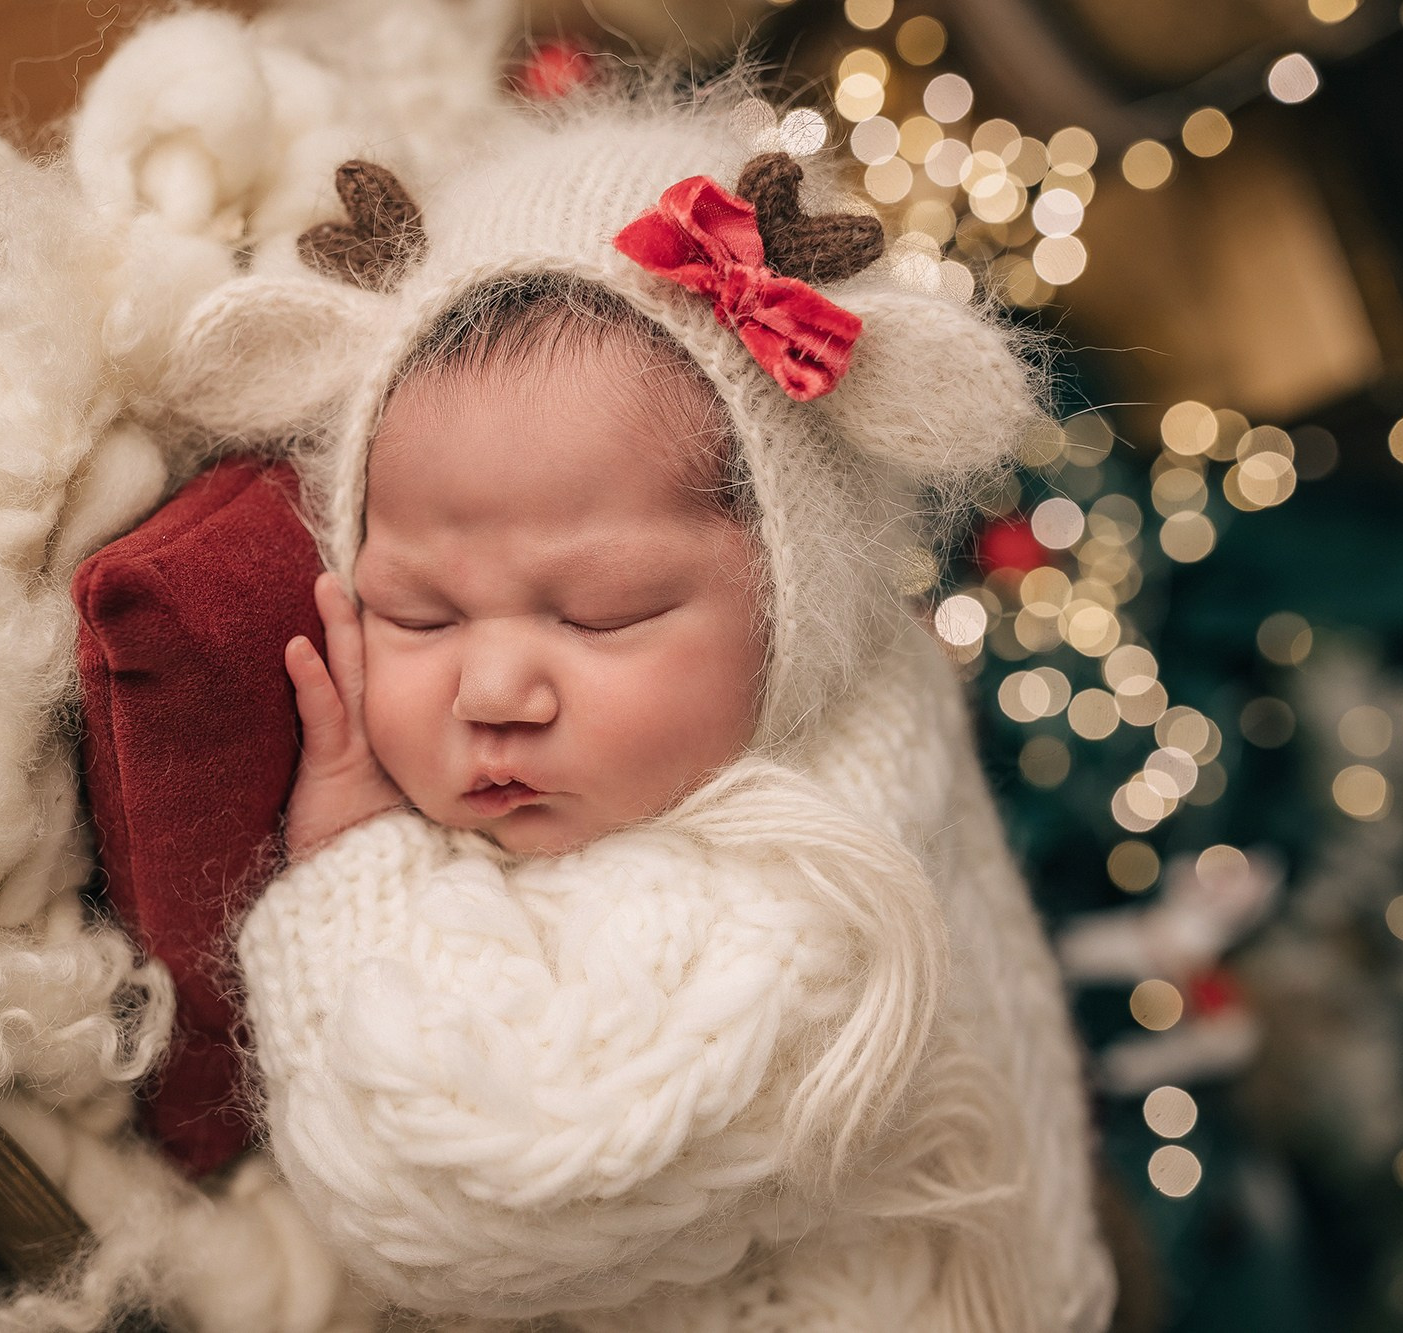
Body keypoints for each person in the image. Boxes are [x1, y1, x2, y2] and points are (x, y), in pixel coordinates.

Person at [222, 94, 1117, 1333]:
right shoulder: (723, 722)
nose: (491, 693)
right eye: (417, 615)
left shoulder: (802, 889)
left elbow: (452, 1193)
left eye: (596, 614)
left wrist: (349, 868)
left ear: (787, 589)